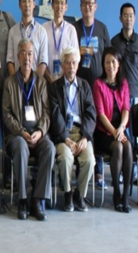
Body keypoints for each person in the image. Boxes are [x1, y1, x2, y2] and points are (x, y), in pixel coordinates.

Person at [2, 39, 54, 221]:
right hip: (17, 135)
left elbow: (46, 112)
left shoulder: (41, 82)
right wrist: (22, 132)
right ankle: (23, 199)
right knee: (21, 147)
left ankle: (38, 200)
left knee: (50, 148)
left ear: (34, 57)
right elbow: (6, 114)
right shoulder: (9, 83)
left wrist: (40, 131)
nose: (27, 57)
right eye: (23, 53)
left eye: (30, 54)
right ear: (18, 56)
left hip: (38, 134)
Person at [48, 47, 96, 213]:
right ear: (62, 65)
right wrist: (66, 139)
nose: (71, 66)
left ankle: (79, 195)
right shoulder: (54, 87)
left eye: (74, 62)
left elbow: (91, 114)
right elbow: (55, 116)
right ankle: (68, 193)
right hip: (63, 134)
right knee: (65, 157)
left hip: (81, 132)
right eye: (67, 63)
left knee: (89, 160)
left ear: (78, 64)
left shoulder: (85, 86)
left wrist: (85, 137)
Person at [92, 47, 133, 213]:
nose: (110, 65)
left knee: (128, 146)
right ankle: (116, 192)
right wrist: (114, 132)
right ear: (103, 64)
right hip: (104, 132)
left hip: (120, 129)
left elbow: (126, 109)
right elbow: (100, 114)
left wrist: (121, 128)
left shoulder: (124, 83)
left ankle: (125, 196)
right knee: (118, 147)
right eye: (107, 62)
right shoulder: (98, 84)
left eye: (113, 62)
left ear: (119, 64)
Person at [6, 0, 48, 79]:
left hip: (35, 83)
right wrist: (15, 82)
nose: (27, 4)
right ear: (19, 5)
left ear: (34, 4)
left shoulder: (41, 31)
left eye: (29, 1)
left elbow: (43, 61)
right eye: (24, 1)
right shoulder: (13, 31)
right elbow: (10, 60)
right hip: (16, 83)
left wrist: (35, 82)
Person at [111, 3, 138, 105]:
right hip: (119, 92)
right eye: (125, 15)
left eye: (131, 16)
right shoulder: (114, 42)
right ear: (120, 18)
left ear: (135, 18)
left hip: (137, 93)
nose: (128, 19)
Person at [72, 0, 111, 87]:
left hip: (99, 83)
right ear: (80, 7)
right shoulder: (73, 29)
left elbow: (109, 55)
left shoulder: (102, 28)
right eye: (84, 3)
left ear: (95, 6)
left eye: (90, 3)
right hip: (79, 82)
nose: (87, 7)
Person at [42, 0, 78, 83]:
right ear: (52, 5)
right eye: (57, 3)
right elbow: (40, 57)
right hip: (47, 81)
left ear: (66, 7)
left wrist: (65, 79)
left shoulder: (71, 30)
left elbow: (76, 58)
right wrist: (49, 79)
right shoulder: (43, 29)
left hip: (66, 81)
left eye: (62, 3)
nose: (59, 6)